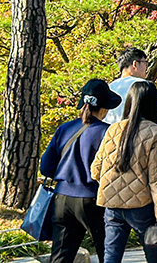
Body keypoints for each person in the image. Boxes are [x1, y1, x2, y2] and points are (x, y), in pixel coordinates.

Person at [41, 79, 121, 263]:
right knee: (108, 253)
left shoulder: (65, 128)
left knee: (60, 257)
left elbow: (45, 166)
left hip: (61, 200)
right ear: (103, 108)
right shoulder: (107, 132)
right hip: (93, 199)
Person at [90, 81, 157, 263]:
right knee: (155, 257)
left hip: (112, 205)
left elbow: (95, 170)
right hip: (142, 208)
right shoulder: (156, 133)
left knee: (111, 257)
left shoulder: (113, 129)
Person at [104, 48, 157, 140]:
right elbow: (153, 116)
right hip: (137, 142)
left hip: (109, 141)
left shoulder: (109, 87)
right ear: (135, 64)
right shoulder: (143, 86)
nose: (146, 68)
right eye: (145, 63)